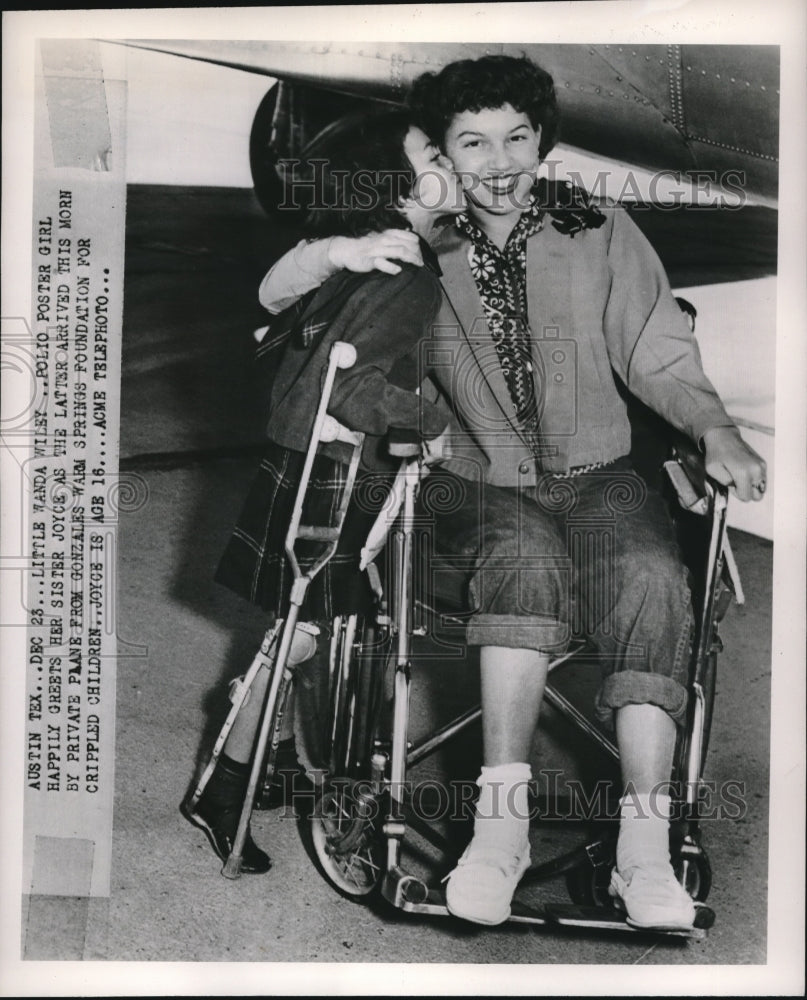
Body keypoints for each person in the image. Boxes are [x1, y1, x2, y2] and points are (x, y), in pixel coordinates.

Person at [258, 54, 767, 930]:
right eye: (471, 143)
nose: (497, 162)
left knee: (649, 573)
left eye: (516, 138)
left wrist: (712, 425)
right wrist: (338, 251)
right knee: (522, 558)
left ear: (542, 142)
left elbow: (655, 351)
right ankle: (500, 830)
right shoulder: (417, 242)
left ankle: (643, 848)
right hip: (470, 480)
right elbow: (275, 302)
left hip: (599, 473)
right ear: (443, 156)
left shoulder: (595, 224)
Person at [182, 109, 465, 873]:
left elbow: (287, 315)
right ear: (397, 186)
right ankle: (224, 783)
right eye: (434, 153)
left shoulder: (377, 258)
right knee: (302, 630)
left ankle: (260, 755)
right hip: (337, 481)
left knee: (308, 624)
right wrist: (434, 419)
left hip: (304, 464)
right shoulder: (404, 279)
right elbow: (354, 390)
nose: (452, 158)